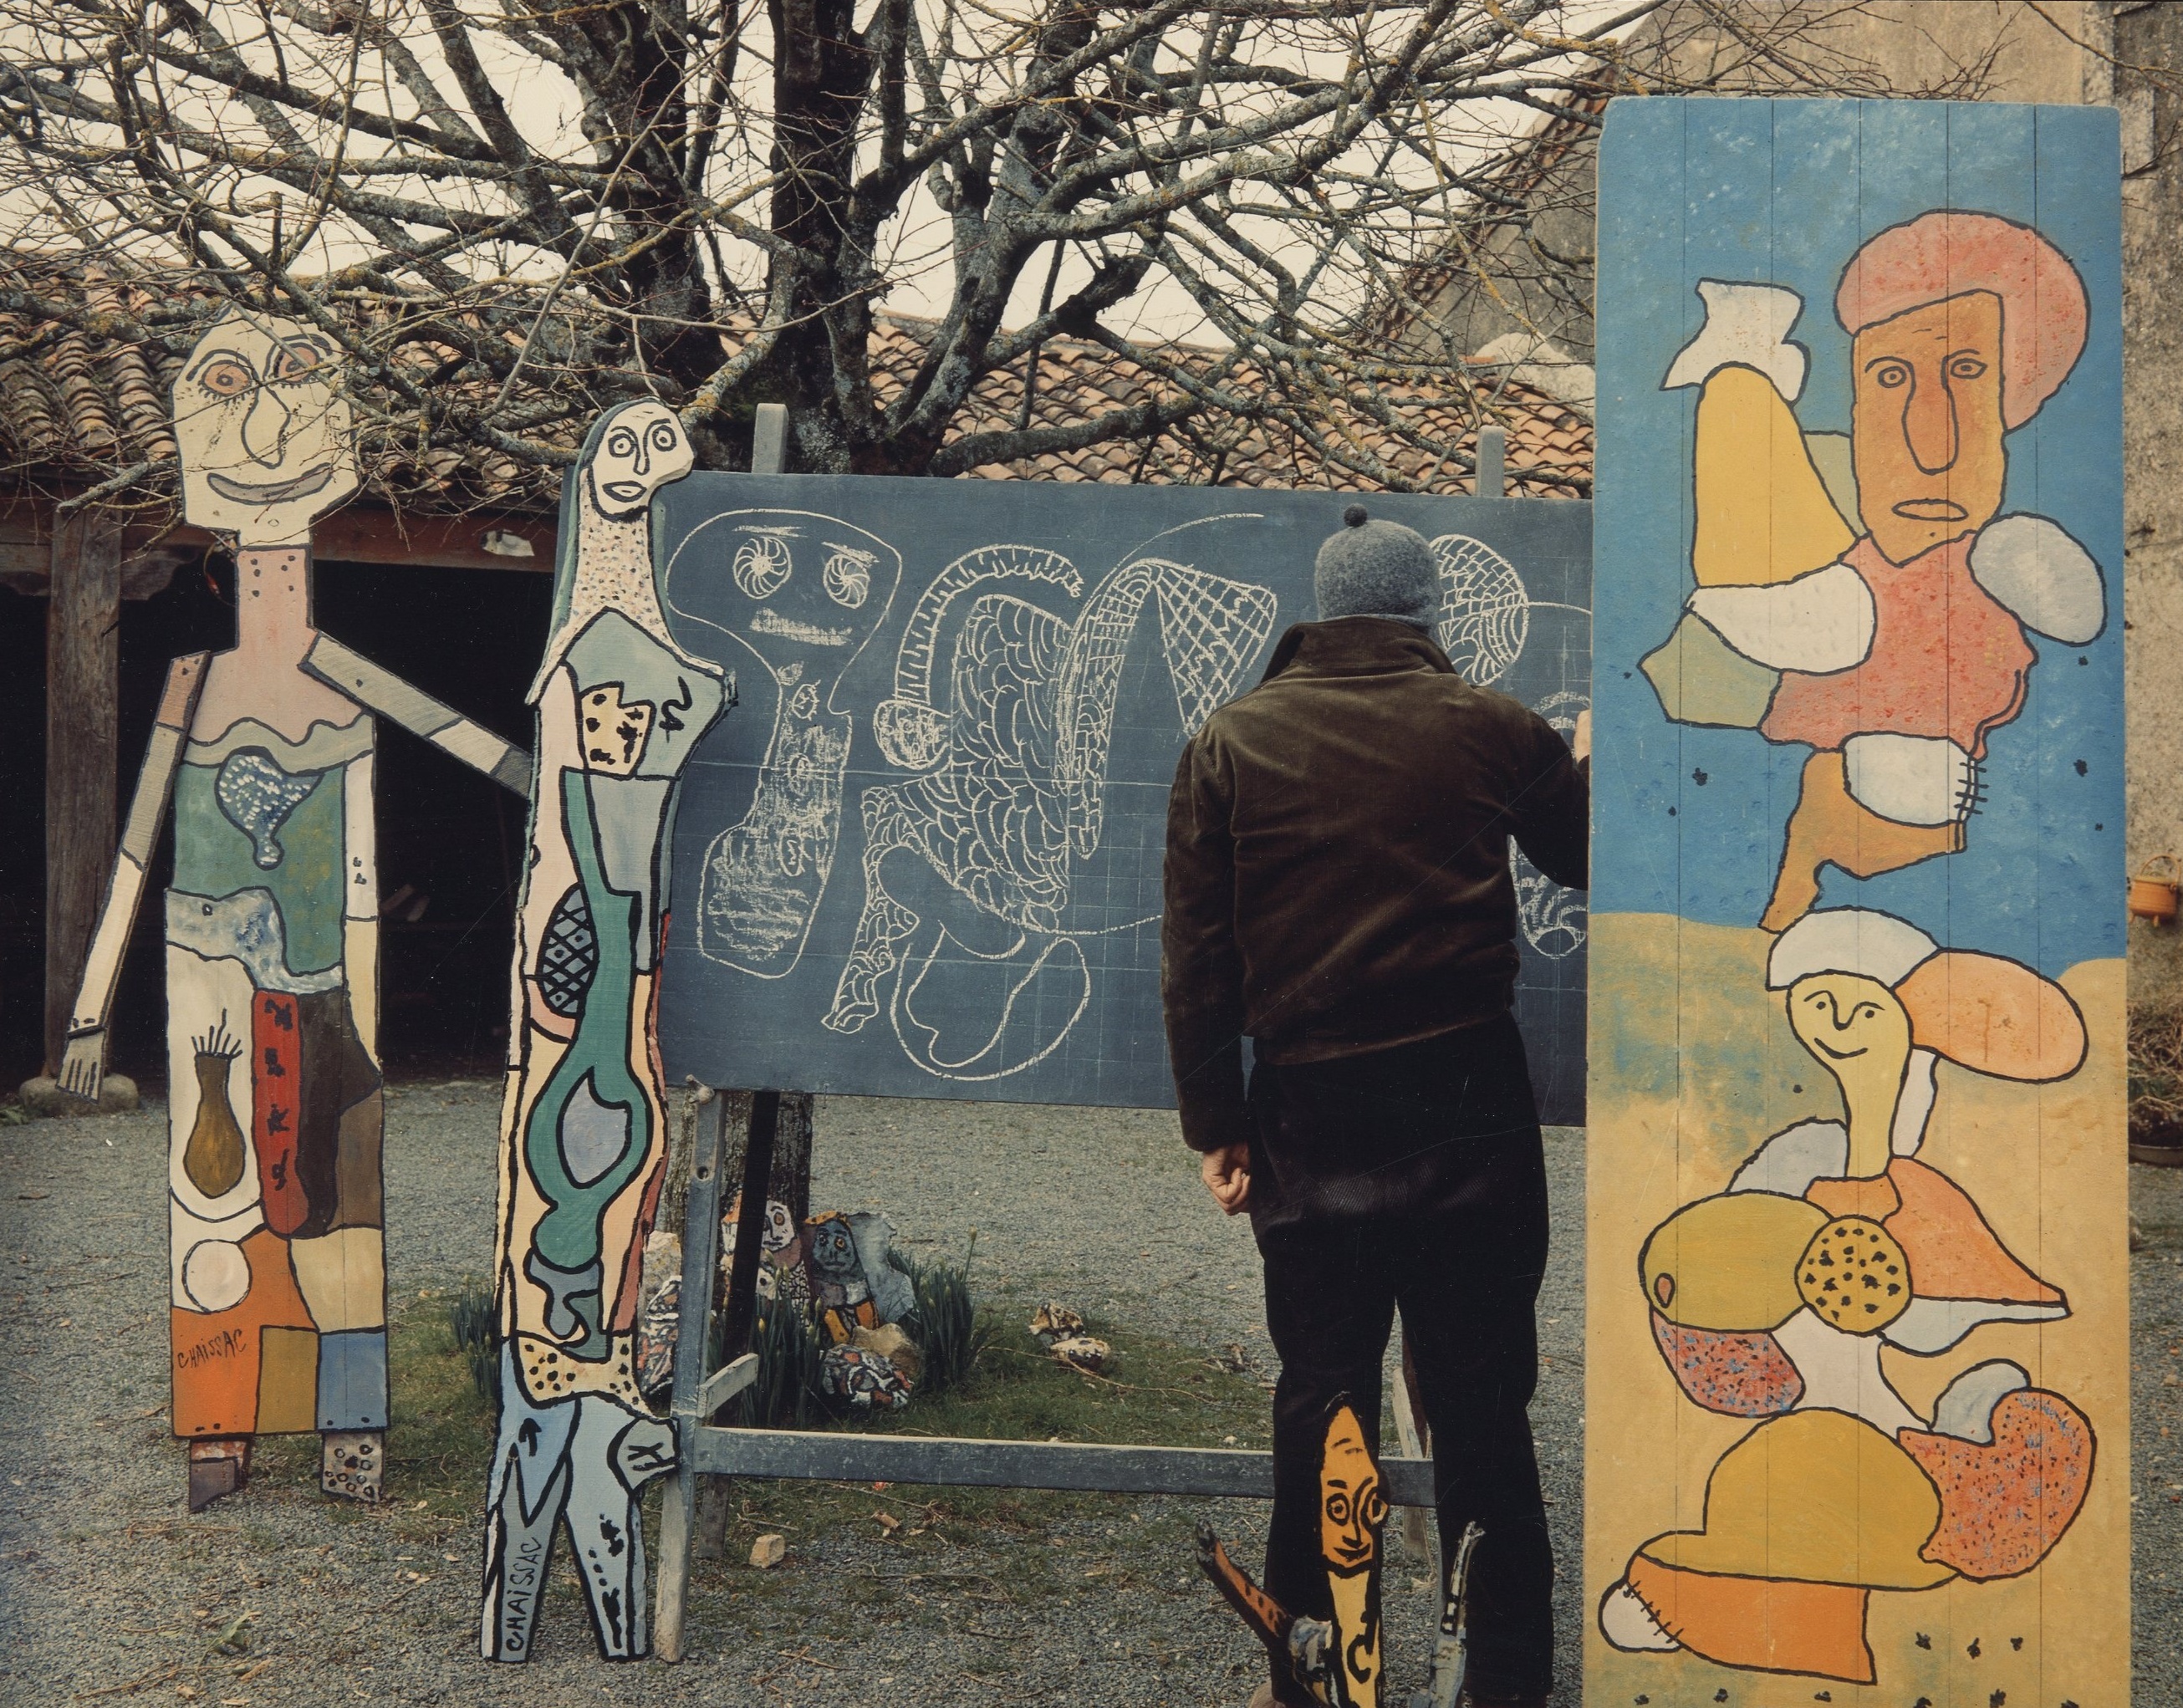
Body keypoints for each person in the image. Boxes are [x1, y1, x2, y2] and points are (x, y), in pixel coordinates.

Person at [1162, 505, 1589, 1708]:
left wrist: (1219, 1125)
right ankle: (1501, 1680)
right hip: (1469, 1093)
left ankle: (1317, 1671)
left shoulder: (1230, 739)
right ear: (1423, 614)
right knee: (1479, 1392)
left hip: (1307, 1100)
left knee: (1324, 1383)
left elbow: (1196, 958)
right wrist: (1592, 763)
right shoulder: (1494, 728)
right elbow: (1591, 854)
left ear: (1322, 609)